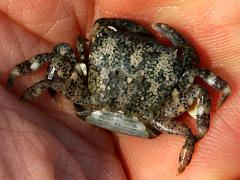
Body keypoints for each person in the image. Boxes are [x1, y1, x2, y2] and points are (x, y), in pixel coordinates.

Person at [0, 0, 239, 179]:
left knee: (55, 63)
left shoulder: (96, 54)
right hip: (156, 118)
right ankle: (187, 153)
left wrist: (44, 88)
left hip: (93, 101)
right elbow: (201, 84)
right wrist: (196, 134)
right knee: (191, 116)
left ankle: (25, 87)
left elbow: (52, 67)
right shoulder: (172, 60)